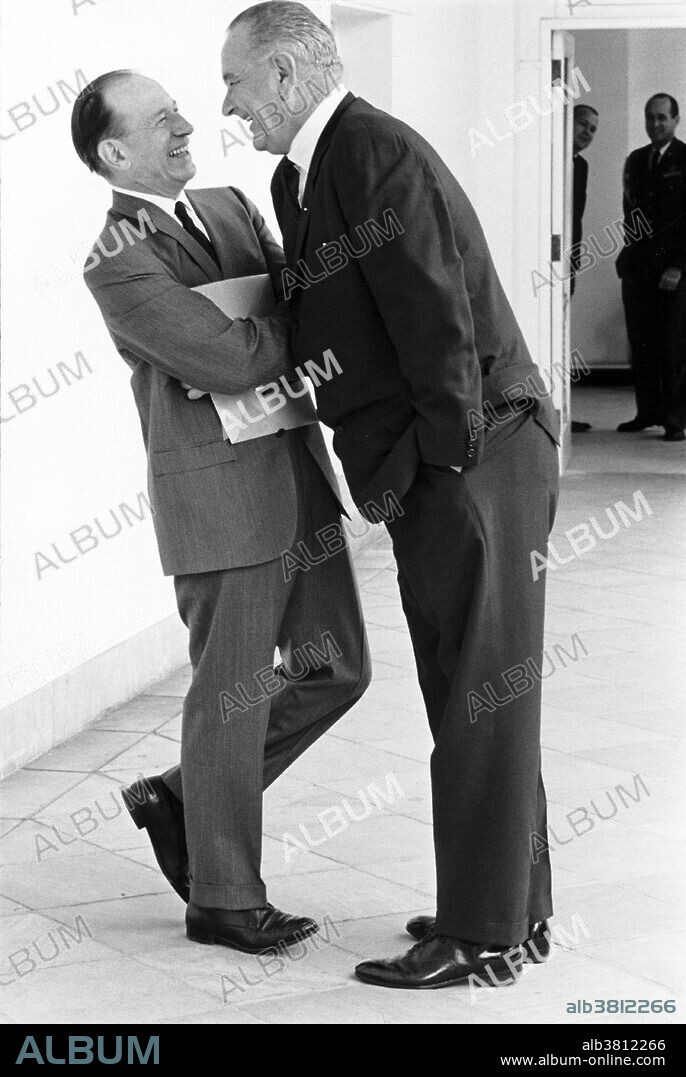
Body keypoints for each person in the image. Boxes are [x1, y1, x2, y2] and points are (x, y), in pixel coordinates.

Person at [219, 2, 560, 990]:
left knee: (478, 698)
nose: (227, 99)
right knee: (472, 689)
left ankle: (480, 937)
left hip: (474, 456)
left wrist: (432, 472)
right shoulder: (306, 173)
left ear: (283, 77)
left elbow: (437, 321)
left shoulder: (367, 152)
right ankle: (511, 910)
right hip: (454, 462)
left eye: (235, 78)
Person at [71, 70, 370, 954]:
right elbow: (229, 357)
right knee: (231, 697)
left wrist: (288, 319)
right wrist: (305, 326)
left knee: (338, 667)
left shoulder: (235, 204)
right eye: (162, 120)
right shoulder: (117, 254)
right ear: (115, 151)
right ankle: (224, 897)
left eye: (180, 111)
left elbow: (286, 306)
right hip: (218, 498)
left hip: (295, 471)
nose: (187, 124)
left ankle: (179, 796)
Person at [616, 93, 686, 442]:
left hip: (675, 270)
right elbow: (630, 213)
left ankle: (675, 419)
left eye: (662, 117)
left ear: (675, 120)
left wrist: (679, 265)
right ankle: (648, 411)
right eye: (650, 117)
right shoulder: (636, 160)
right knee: (641, 341)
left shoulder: (685, 159)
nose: (655, 124)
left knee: (673, 345)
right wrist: (626, 258)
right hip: (640, 267)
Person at [570, 104, 599, 434]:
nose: (587, 133)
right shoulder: (555, 158)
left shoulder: (582, 165)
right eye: (583, 124)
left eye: (593, 129)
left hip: (569, 258)